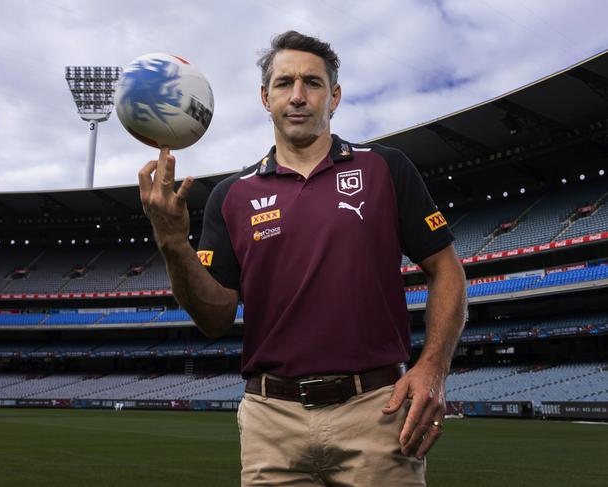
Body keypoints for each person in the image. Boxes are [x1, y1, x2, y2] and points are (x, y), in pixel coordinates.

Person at [139, 31, 466, 486]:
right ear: (264, 97)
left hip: (377, 411)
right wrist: (174, 244)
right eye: (284, 83)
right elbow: (214, 318)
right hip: (272, 422)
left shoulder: (385, 169)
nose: (297, 96)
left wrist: (433, 366)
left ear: (334, 97)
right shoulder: (230, 197)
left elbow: (446, 268)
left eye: (312, 83)